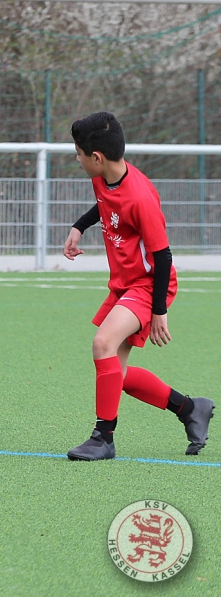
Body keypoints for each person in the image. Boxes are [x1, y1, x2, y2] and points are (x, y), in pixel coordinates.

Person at [63, 111, 213, 461]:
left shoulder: (141, 197)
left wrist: (158, 311)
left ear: (96, 157)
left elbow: (163, 257)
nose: (77, 159)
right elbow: (106, 206)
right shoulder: (104, 177)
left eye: (79, 154)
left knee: (102, 343)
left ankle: (103, 438)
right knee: (116, 373)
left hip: (148, 285)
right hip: (125, 284)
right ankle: (190, 408)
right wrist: (79, 226)